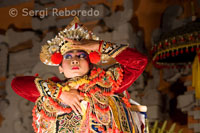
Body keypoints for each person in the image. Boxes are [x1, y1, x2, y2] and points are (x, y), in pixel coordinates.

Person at [11, 16, 148, 133]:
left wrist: (99, 46)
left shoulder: (107, 83)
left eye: (81, 55)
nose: (74, 60)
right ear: (60, 68)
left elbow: (139, 62)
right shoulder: (51, 94)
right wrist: (60, 93)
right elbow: (17, 84)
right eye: (68, 56)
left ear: (90, 63)